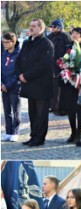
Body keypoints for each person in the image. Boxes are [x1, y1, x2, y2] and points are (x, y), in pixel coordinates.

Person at [16, 19, 54, 147]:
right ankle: (33, 135)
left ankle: (39, 137)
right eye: (30, 25)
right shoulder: (27, 43)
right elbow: (19, 59)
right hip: (29, 84)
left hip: (41, 85)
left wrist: (26, 76)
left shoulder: (47, 44)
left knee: (41, 113)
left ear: (41, 28)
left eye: (33, 26)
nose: (30, 28)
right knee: (32, 113)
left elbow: (43, 64)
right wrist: (19, 74)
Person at [61, 28, 81, 144]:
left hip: (80, 82)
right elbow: (63, 60)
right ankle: (72, 131)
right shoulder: (67, 47)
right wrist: (65, 66)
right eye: (73, 34)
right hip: (69, 82)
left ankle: (79, 132)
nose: (74, 36)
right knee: (70, 109)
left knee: (79, 109)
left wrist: (78, 73)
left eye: (77, 34)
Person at [47, 19, 72, 116]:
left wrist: (64, 61)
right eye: (52, 27)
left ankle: (60, 108)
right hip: (51, 65)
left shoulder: (65, 36)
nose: (52, 29)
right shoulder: (50, 36)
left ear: (59, 27)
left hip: (61, 65)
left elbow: (68, 50)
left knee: (61, 89)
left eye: (54, 27)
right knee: (52, 87)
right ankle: (53, 106)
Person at [2, 32, 21, 142]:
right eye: (3, 42)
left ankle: (15, 132)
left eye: (7, 42)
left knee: (16, 110)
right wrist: (1, 84)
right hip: (3, 87)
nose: (5, 44)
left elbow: (18, 73)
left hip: (14, 87)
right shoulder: (3, 54)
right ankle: (8, 131)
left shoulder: (18, 54)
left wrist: (8, 85)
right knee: (6, 110)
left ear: (13, 42)